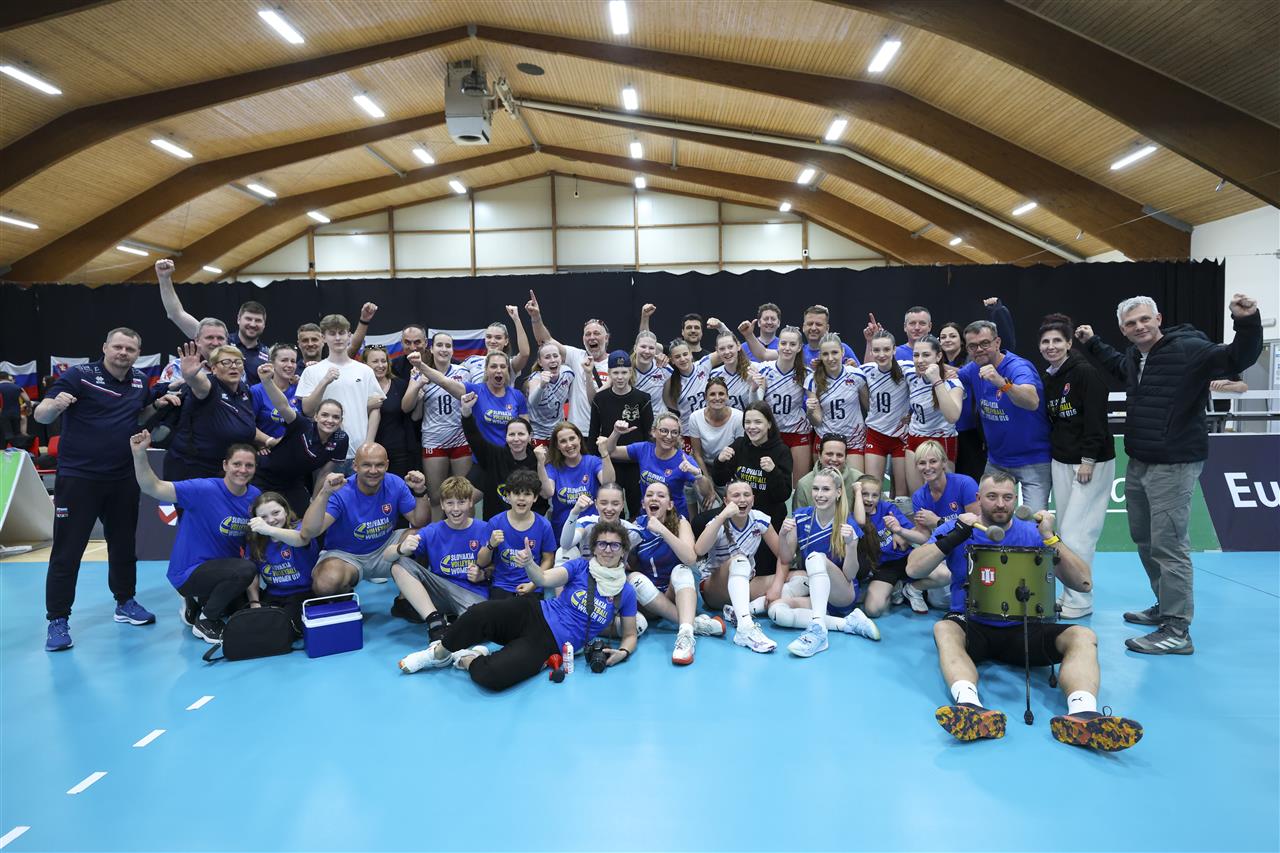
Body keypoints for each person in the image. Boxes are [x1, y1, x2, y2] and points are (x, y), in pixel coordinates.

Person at [1077, 292, 1262, 654]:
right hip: (1140, 460)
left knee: (1169, 545)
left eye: (1145, 319)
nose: (1139, 327)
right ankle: (1165, 606)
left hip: (1175, 462)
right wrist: (1093, 342)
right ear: (1123, 330)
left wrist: (1247, 321)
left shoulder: (1190, 349)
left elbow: (1237, 357)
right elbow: (1117, 365)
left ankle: (1177, 629)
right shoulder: (1135, 357)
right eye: (1131, 323)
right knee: (1145, 539)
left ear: (1158, 318)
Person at [906, 472, 1143, 751]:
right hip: (973, 624)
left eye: (1007, 497)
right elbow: (913, 568)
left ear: (1016, 499)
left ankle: (1083, 714)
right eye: (992, 497)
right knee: (943, 628)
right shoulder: (958, 528)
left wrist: (1051, 538)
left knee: (1083, 635)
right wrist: (954, 536)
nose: (1000, 504)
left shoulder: (1032, 533)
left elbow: (1083, 583)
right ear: (978, 498)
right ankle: (970, 708)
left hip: (1027, 628)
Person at [397, 520, 639, 691]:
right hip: (534, 612)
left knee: (492, 676)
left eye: (615, 545)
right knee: (479, 613)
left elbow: (629, 634)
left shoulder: (625, 592)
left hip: (550, 644)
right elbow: (543, 579)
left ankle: (468, 658)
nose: (607, 550)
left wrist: (623, 652)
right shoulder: (580, 567)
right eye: (602, 544)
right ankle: (439, 654)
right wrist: (530, 563)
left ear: (624, 551)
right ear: (594, 547)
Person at [37, 328, 164, 652]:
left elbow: (140, 415)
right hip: (79, 478)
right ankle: (58, 620)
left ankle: (125, 602)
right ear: (105, 347)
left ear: (138, 354)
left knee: (123, 546)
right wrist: (55, 405)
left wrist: (160, 404)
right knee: (67, 551)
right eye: (118, 346)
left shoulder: (139, 382)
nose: (123, 353)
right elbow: (41, 414)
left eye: (130, 349)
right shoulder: (79, 375)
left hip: (122, 478)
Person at [130, 432, 259, 644]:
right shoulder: (203, 489)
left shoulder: (255, 497)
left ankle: (195, 602)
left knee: (237, 605)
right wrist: (139, 454)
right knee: (245, 570)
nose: (242, 470)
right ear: (225, 465)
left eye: (249, 465)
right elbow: (152, 486)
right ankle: (206, 621)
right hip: (189, 572)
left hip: (222, 571)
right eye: (237, 464)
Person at [1039, 314, 1116, 620]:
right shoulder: (1049, 377)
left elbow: (1096, 419)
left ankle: (1081, 600)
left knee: (1077, 534)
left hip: (1090, 463)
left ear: (1069, 343)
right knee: (1064, 532)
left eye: (1057, 340)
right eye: (1045, 341)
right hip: (1061, 459)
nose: (1051, 346)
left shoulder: (1085, 373)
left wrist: (1088, 459)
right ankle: (1069, 593)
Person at [772, 468, 881, 656]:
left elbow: (850, 575)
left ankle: (818, 632)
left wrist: (851, 545)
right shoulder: (801, 516)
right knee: (776, 612)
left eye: (826, 489)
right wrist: (782, 536)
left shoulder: (847, 523)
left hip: (842, 593)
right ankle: (846, 624)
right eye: (816, 489)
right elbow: (786, 558)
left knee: (816, 558)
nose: (819, 494)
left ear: (838, 493)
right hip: (817, 593)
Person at [300, 443, 431, 595]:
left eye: (379, 465)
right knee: (325, 584)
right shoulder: (341, 490)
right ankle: (344, 598)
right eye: (366, 465)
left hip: (386, 550)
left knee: (425, 536)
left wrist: (420, 490)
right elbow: (309, 532)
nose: (373, 471)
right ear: (355, 466)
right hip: (346, 556)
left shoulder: (395, 483)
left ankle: (407, 598)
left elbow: (419, 522)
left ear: (387, 465)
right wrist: (324, 492)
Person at [625, 482, 726, 665]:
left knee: (682, 570)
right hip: (650, 601)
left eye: (661, 495)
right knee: (633, 578)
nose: (654, 498)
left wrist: (662, 530)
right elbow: (626, 563)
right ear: (643, 503)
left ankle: (685, 636)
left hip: (677, 595)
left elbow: (690, 558)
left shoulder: (680, 522)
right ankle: (695, 625)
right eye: (649, 495)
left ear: (670, 504)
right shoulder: (636, 526)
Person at [958, 320, 1051, 512]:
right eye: (973, 346)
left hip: (1033, 460)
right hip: (997, 461)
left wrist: (1002, 382)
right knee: (986, 515)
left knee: (1034, 521)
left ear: (997, 342)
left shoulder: (1018, 367)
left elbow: (1032, 401)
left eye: (985, 343)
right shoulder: (974, 368)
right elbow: (952, 374)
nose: (979, 350)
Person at [386, 475, 492, 640]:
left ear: (471, 502)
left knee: (478, 630)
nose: (455, 509)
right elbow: (387, 555)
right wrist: (401, 547)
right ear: (442, 504)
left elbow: (500, 567)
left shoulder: (485, 529)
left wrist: (484, 574)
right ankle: (435, 622)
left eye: (461, 502)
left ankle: (454, 621)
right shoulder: (433, 531)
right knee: (399, 563)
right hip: (439, 590)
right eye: (450, 503)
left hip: (471, 593)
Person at [695, 481, 789, 653]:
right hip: (714, 589)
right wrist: (722, 516)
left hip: (744, 583)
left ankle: (739, 611)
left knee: (799, 580)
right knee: (740, 560)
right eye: (736, 495)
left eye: (746, 494)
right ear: (726, 501)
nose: (742, 499)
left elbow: (783, 557)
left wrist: (776, 586)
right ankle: (745, 627)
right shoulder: (719, 522)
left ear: (753, 499)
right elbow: (699, 550)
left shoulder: (759, 519)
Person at [250, 364, 349, 516]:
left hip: (293, 483)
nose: (330, 420)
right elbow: (283, 406)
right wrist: (267, 381)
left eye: (336, 417)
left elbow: (324, 473)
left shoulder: (341, 439)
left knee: (305, 517)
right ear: (316, 417)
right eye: (325, 415)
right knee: (265, 516)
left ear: (341, 420)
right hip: (265, 476)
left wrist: (315, 501)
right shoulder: (302, 425)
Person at [155, 259, 269, 383]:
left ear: (264, 324)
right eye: (248, 319)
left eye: (258, 320)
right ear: (238, 319)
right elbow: (177, 314)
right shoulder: (222, 341)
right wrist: (164, 279)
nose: (252, 324)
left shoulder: (268, 354)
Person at [164, 343, 265, 481]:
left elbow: (245, 424)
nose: (233, 366)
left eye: (238, 362)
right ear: (214, 369)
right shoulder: (209, 387)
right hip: (194, 468)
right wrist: (191, 376)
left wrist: (269, 440)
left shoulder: (244, 390)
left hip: (225, 469)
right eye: (226, 362)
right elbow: (199, 383)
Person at [295, 314, 382, 472]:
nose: (337, 338)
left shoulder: (365, 371)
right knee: (324, 489)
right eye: (332, 333)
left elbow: (376, 409)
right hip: (325, 451)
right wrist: (325, 381)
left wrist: (368, 444)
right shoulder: (312, 371)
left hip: (359, 450)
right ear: (323, 338)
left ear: (349, 336)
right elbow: (307, 410)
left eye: (341, 333)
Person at [403, 334, 472, 514]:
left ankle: (469, 531)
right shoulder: (418, 373)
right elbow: (407, 408)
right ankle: (436, 531)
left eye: (448, 346)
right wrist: (418, 386)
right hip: (434, 440)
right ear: (431, 349)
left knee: (465, 495)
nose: (444, 349)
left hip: (460, 439)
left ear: (453, 350)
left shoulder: (463, 372)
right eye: (439, 345)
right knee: (435, 497)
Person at [856, 474, 941, 616]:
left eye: (875, 495)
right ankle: (896, 587)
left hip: (906, 558)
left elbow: (918, 536)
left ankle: (912, 589)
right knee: (873, 610)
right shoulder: (853, 515)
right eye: (865, 494)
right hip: (883, 568)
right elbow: (860, 522)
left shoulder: (887, 508)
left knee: (944, 575)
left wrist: (900, 531)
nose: (870, 499)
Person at [526, 290, 609, 433]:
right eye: (587, 334)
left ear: (606, 338)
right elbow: (545, 341)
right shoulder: (576, 355)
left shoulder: (615, 363)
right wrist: (536, 317)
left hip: (606, 431)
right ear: (583, 339)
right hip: (578, 432)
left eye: (596, 333)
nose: (591, 337)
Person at [415, 350, 527, 450]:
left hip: (509, 457)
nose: (498, 370)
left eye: (503, 367)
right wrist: (420, 365)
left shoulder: (517, 396)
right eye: (493, 366)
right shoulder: (474, 391)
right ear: (486, 370)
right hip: (482, 459)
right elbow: (444, 381)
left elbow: (526, 430)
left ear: (507, 370)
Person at [588, 350, 654, 515]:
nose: (620, 377)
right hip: (610, 462)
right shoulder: (600, 399)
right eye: (615, 373)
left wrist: (649, 461)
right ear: (609, 373)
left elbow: (650, 434)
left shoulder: (643, 398)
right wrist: (592, 462)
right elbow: (593, 432)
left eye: (624, 372)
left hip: (635, 462)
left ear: (630, 372)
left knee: (638, 508)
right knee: (612, 508)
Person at [459, 392, 543, 519]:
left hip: (527, 525)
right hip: (495, 524)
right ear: (506, 437)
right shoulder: (493, 456)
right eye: (511, 434)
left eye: (521, 434)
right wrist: (466, 413)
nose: (516, 439)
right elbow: (473, 437)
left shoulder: (537, 460)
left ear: (530, 436)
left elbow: (544, 498)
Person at [245, 491, 318, 636]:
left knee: (284, 629)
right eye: (263, 517)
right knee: (258, 627)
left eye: (276, 513)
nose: (271, 520)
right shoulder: (256, 540)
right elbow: (252, 573)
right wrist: (255, 602)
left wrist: (269, 530)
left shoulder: (300, 528)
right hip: (273, 594)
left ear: (286, 510)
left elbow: (301, 539)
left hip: (303, 593)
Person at [477, 469, 557, 599]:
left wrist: (534, 584)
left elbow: (548, 559)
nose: (521, 498)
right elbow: (481, 562)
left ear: (535, 498)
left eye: (527, 494)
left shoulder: (544, 525)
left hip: (532, 588)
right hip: (501, 586)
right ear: (508, 496)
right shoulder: (495, 523)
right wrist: (490, 545)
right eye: (516, 493)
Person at [747, 325, 811, 488]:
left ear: (799, 347)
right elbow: (756, 405)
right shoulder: (764, 369)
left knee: (799, 485)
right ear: (778, 345)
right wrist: (753, 389)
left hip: (797, 432)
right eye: (783, 343)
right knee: (769, 482)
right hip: (771, 433)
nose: (787, 348)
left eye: (792, 344)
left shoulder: (806, 373)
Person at [904, 336, 964, 494]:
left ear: (938, 356)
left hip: (941, 441)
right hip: (915, 438)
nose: (920, 360)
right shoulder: (910, 374)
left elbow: (952, 416)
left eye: (926, 355)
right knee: (917, 496)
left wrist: (936, 380)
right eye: (916, 355)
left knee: (942, 495)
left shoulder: (952, 382)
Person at [858, 330, 914, 497]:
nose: (881, 354)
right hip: (876, 435)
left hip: (900, 436)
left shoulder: (907, 368)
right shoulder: (865, 370)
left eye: (886, 349)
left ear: (894, 350)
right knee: (871, 489)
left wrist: (913, 413)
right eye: (876, 350)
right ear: (871, 351)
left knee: (902, 493)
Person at [536, 422, 615, 538]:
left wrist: (604, 453)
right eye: (563, 441)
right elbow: (546, 493)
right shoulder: (552, 467)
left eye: (572, 438)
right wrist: (540, 463)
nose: (569, 444)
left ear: (579, 439)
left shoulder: (592, 461)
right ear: (557, 446)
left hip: (591, 531)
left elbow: (608, 484)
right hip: (562, 531)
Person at [805, 332, 869, 475]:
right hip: (825, 440)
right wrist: (810, 411)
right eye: (825, 354)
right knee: (825, 484)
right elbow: (817, 421)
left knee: (855, 483)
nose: (830, 358)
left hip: (853, 439)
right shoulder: (812, 380)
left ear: (843, 352)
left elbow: (870, 407)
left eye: (834, 352)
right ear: (820, 356)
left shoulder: (856, 374)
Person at [687, 377, 744, 508]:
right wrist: (708, 484)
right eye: (712, 394)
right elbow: (697, 454)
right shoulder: (695, 417)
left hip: (728, 469)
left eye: (721, 394)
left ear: (727, 396)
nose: (717, 398)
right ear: (705, 397)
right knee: (712, 506)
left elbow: (739, 454)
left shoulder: (738, 417)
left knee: (734, 506)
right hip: (704, 468)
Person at [364, 345, 418, 480]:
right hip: (370, 453)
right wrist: (366, 406)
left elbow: (413, 415)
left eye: (384, 361)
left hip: (399, 452)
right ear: (365, 364)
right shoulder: (359, 387)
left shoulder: (400, 385)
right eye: (375, 361)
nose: (380, 365)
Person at [558, 482, 639, 561]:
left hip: (618, 570)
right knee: (562, 553)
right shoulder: (586, 523)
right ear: (596, 504)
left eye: (615, 504)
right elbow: (565, 545)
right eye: (604, 503)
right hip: (587, 569)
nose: (609, 508)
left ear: (622, 505)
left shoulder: (632, 531)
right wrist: (574, 513)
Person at [525, 340, 585, 444]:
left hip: (559, 433)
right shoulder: (536, 378)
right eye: (547, 357)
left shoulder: (568, 373)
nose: (553, 360)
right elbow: (532, 402)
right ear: (540, 362)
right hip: (539, 435)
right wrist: (542, 386)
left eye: (555, 356)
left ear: (561, 358)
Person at [456, 308, 531, 383]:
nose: (492, 341)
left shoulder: (510, 363)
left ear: (506, 341)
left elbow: (524, 354)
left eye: (498, 338)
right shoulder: (472, 360)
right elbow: (454, 374)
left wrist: (516, 319)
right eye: (489, 337)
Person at [792, 435, 862, 509]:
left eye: (839, 455)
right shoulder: (804, 484)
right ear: (819, 455)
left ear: (845, 458)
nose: (834, 459)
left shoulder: (858, 479)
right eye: (829, 454)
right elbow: (798, 514)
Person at [662, 339, 712, 441]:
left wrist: (723, 330)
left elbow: (729, 351)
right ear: (672, 360)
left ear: (691, 354)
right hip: (688, 433)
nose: (682, 359)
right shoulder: (670, 381)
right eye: (677, 357)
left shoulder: (703, 364)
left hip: (711, 426)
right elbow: (669, 404)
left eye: (685, 354)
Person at [249, 343, 299, 439]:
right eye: (284, 360)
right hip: (266, 446)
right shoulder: (257, 391)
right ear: (272, 363)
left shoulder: (299, 390)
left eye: (293, 361)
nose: (290, 365)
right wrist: (267, 442)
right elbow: (249, 425)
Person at [707, 327, 759, 410]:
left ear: (738, 346)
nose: (727, 352)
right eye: (722, 349)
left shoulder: (754, 369)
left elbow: (758, 407)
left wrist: (754, 390)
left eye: (730, 347)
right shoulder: (714, 375)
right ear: (717, 351)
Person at [631, 330, 671, 415]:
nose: (647, 351)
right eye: (643, 347)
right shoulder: (626, 370)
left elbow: (670, 399)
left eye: (651, 348)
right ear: (635, 348)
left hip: (659, 419)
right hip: (634, 418)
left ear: (656, 350)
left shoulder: (664, 368)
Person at [0, 372, 32, 449]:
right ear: (8, 377)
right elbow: (27, 400)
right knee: (17, 434)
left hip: (2, 414)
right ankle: (18, 452)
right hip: (16, 413)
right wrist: (29, 409)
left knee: (4, 435)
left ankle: (4, 452)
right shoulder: (18, 387)